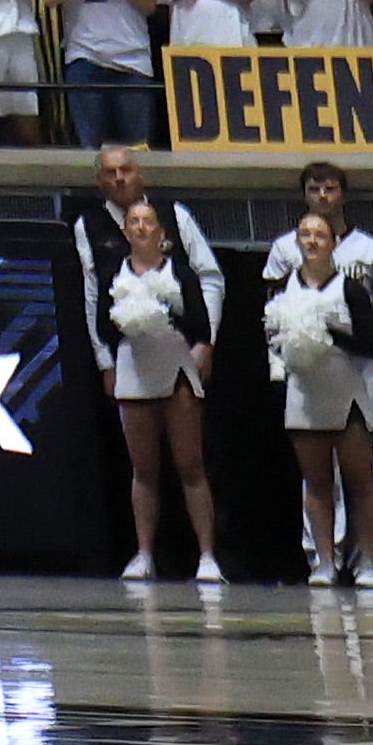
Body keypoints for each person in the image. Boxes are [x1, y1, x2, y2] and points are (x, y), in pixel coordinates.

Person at [265, 160, 373, 587]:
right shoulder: (285, 288)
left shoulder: (351, 286)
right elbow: (272, 335)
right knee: (316, 483)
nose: (313, 240)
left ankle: (369, 562)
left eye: (320, 235)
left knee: (361, 481)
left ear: (333, 242)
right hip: (304, 392)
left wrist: (328, 330)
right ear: (297, 242)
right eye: (306, 235)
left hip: (349, 391)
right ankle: (323, 561)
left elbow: (369, 341)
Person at [88, 181, 217, 581]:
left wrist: (166, 315)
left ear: (162, 232)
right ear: (125, 232)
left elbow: (201, 326)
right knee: (143, 469)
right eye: (134, 222)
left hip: (175, 369)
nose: (141, 228)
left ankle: (207, 556)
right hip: (133, 370)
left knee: (190, 465)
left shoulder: (180, 273)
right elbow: (102, 325)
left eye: (148, 222)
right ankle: (144, 554)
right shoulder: (113, 273)